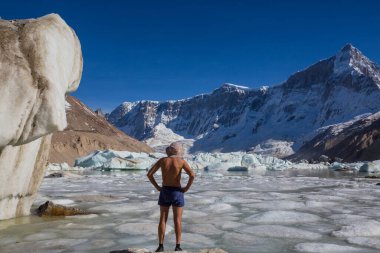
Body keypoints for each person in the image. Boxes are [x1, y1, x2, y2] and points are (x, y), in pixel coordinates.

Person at [147, 142, 195, 252]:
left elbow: (149, 174)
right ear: (178, 151)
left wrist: (158, 187)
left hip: (165, 191)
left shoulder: (163, 160)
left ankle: (160, 246)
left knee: (162, 219)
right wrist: (186, 188)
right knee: (177, 220)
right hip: (177, 192)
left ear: (170, 150)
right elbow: (192, 175)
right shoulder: (181, 161)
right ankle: (178, 246)